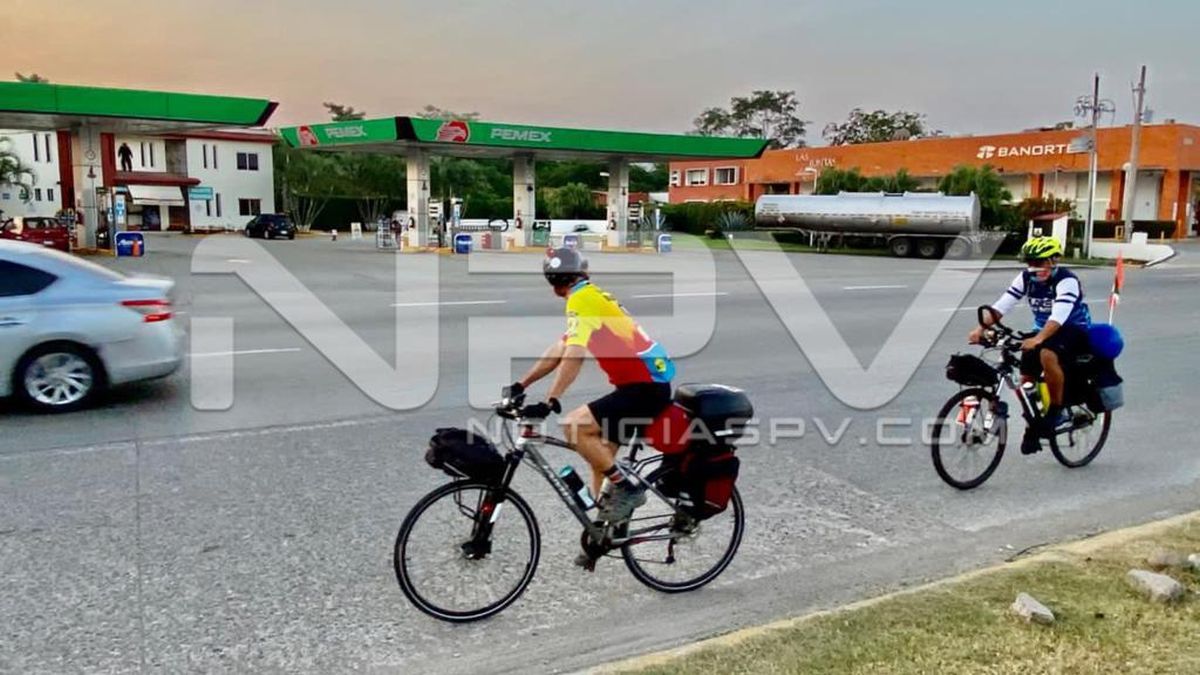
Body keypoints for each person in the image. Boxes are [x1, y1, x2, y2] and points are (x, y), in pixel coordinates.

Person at [511, 247, 675, 526]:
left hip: (645, 387)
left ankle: (628, 491)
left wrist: (551, 400)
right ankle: (604, 532)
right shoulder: (589, 296)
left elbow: (575, 354)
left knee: (574, 426)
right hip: (643, 385)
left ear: (553, 285)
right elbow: (561, 348)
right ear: (583, 272)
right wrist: (521, 384)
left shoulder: (582, 299)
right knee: (601, 459)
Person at [968, 236, 1092, 454]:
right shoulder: (1026, 278)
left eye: (1039, 262)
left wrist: (1038, 339)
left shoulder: (1066, 281)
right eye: (1030, 262)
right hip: (1043, 329)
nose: (1034, 267)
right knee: (1026, 376)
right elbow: (1002, 306)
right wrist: (981, 329)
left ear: (1053, 260)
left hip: (1072, 329)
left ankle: (1056, 410)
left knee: (1047, 353)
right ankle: (1034, 423)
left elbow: (1059, 316)